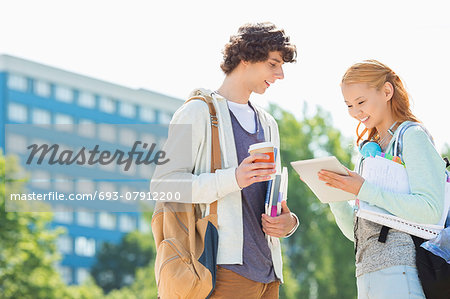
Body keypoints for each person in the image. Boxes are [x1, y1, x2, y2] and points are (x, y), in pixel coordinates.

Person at [151, 22, 299, 298]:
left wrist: (288, 222)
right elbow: (164, 185)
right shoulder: (197, 112)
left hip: (269, 275)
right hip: (222, 270)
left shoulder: (268, 124)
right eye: (273, 64)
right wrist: (233, 178)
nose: (280, 74)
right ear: (245, 58)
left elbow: (275, 202)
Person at [317, 60, 446, 299]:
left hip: (403, 272)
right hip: (366, 274)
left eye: (361, 102)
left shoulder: (412, 136)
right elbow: (359, 234)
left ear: (387, 91)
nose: (356, 111)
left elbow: (431, 211)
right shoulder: (370, 152)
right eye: (348, 105)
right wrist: (334, 196)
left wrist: (364, 189)